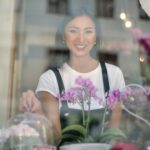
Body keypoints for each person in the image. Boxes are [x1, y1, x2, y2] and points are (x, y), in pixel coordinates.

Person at [19, 10, 125, 146]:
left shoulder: (113, 74)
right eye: (73, 31)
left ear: (96, 38)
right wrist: (38, 111)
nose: (81, 39)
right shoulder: (50, 79)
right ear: (63, 36)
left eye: (88, 31)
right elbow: (54, 139)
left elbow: (115, 135)